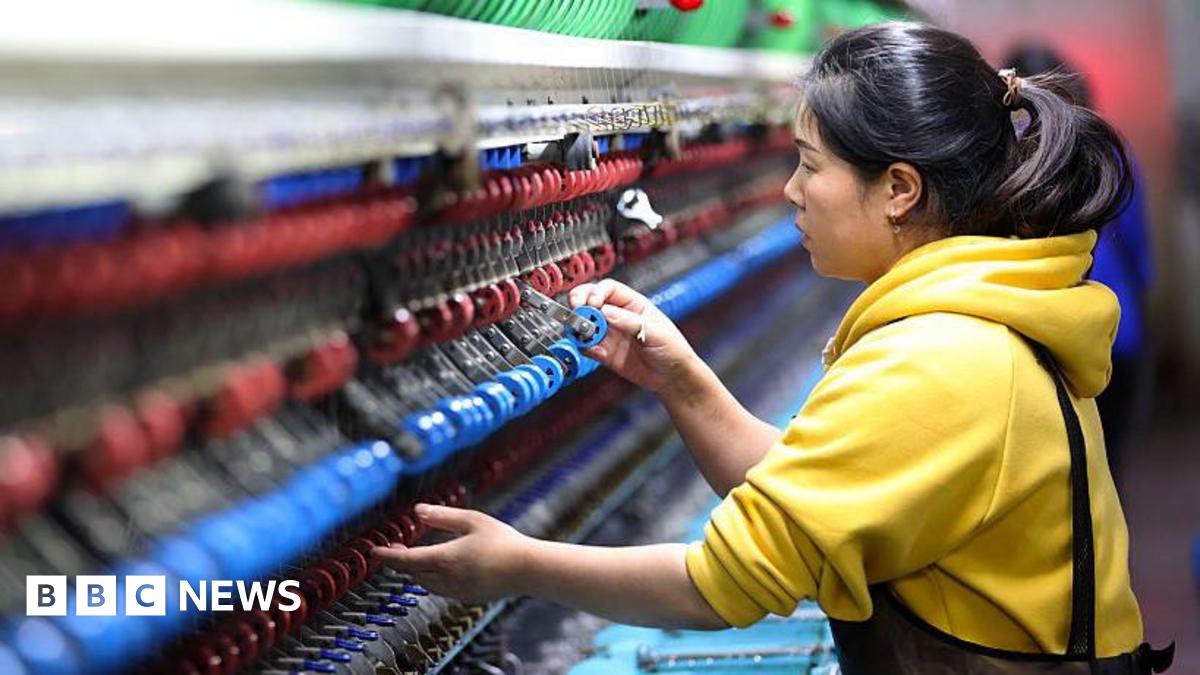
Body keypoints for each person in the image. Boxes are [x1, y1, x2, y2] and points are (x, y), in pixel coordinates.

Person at [373, 22, 1173, 674]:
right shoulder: (967, 326)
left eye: (810, 164)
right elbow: (810, 504)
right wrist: (680, 378)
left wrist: (515, 565)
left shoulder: (941, 358)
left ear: (899, 188)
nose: (791, 190)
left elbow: (724, 584)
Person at [1002, 44, 1156, 485]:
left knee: (1059, 479)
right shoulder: (1110, 153)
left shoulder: (1007, 163)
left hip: (1039, 335)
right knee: (1108, 468)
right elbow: (1140, 250)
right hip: (1113, 328)